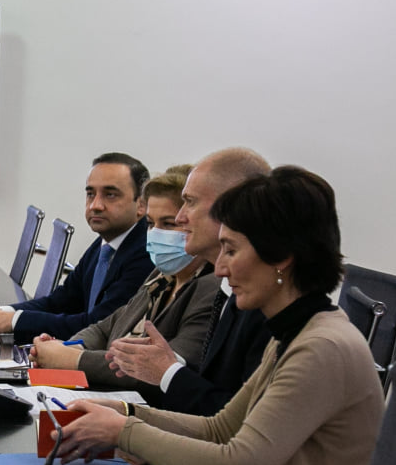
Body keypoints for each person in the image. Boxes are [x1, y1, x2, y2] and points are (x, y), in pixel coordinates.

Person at [54, 167, 384, 465]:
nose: (222, 269)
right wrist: (123, 412)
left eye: (231, 251)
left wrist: (122, 431)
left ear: (281, 257)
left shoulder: (321, 348)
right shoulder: (293, 335)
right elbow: (221, 428)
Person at [104, 147, 273, 413]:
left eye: (190, 202)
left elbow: (230, 421)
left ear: (231, 207)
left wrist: (165, 375)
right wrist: (128, 417)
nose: (182, 217)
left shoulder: (260, 306)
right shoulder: (225, 289)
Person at [28, 166, 222, 394]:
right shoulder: (161, 276)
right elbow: (105, 327)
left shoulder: (211, 289)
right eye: (150, 224)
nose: (156, 233)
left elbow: (157, 370)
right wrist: (68, 347)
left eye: (169, 224)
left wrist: (72, 359)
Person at [0, 152, 155, 344]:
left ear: (141, 205)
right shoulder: (104, 244)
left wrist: (15, 320)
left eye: (110, 195)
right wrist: (0, 312)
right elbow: (59, 302)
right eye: (90, 194)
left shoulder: (146, 253)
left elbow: (98, 325)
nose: (95, 205)